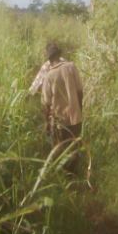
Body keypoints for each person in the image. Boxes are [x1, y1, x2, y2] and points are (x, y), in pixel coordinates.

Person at [40, 42, 83, 171]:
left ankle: (65, 176)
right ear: (59, 55)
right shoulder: (71, 67)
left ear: (49, 59)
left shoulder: (49, 76)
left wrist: (47, 123)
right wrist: (79, 110)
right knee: (74, 146)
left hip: (59, 120)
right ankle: (74, 173)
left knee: (60, 149)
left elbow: (46, 104)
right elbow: (80, 91)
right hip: (75, 117)